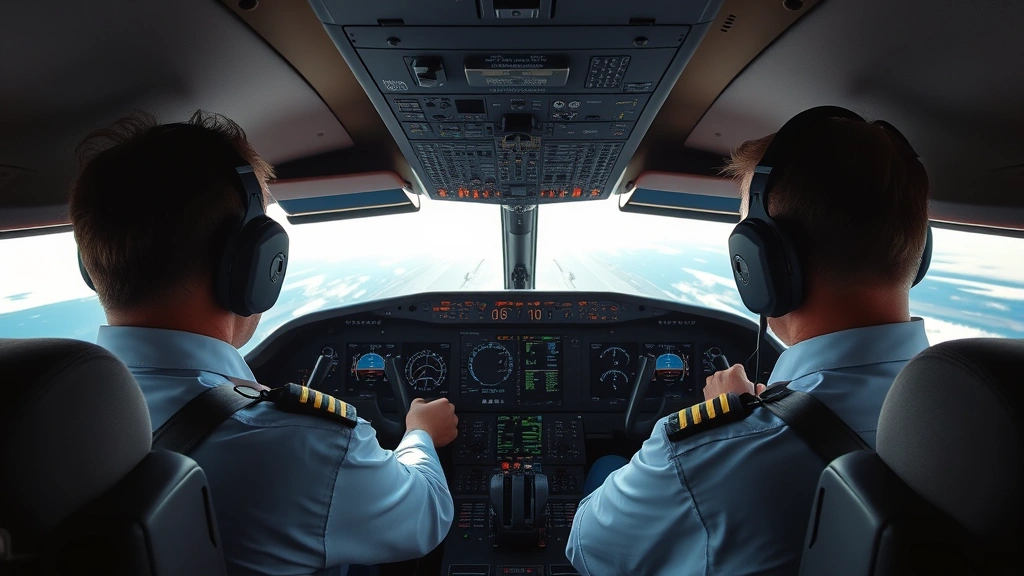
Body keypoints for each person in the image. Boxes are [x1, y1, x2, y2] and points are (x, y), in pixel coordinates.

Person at [70, 111, 457, 575]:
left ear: (92, 269)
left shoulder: (31, 419)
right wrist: (420, 433)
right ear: (254, 264)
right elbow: (426, 515)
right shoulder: (299, 445)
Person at [566, 109, 931, 575]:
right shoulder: (993, 414)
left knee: (609, 464)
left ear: (763, 264)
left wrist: (731, 426)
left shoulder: (704, 452)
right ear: (918, 253)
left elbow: (587, 549)